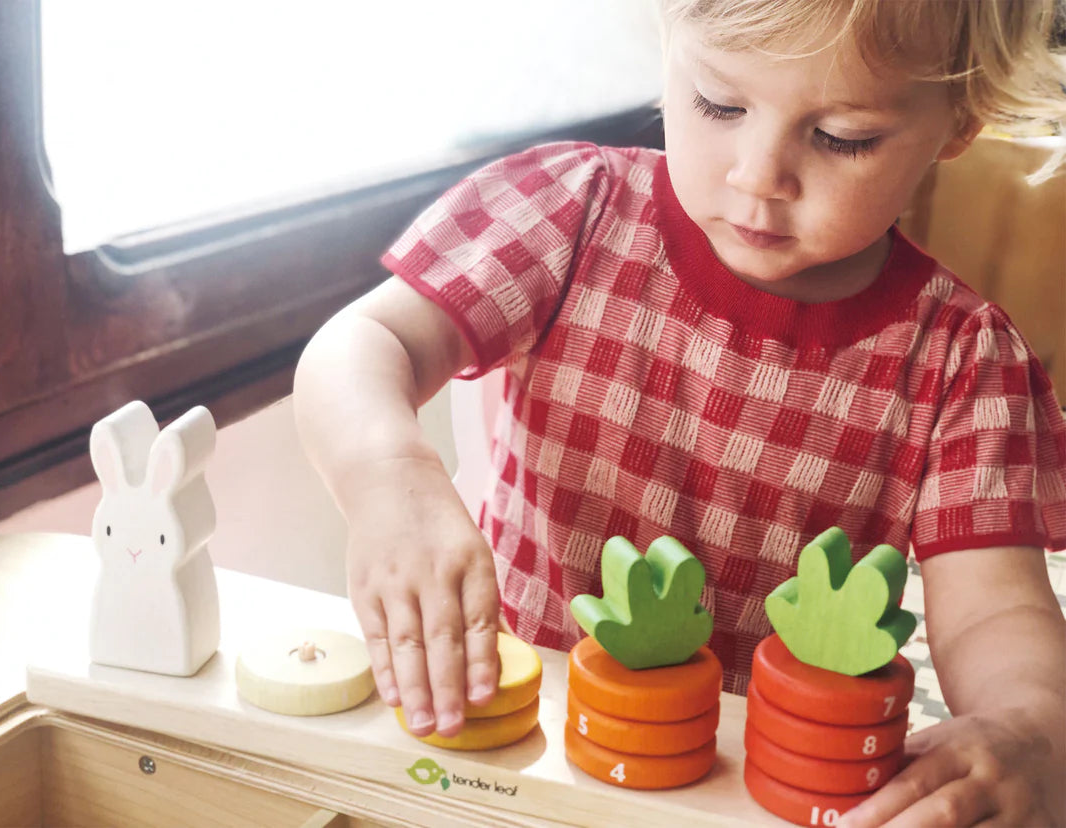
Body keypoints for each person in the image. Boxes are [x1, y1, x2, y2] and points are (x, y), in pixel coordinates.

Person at [294, 0, 1066, 823]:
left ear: (961, 120)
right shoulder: (571, 210)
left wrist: (1033, 727)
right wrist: (388, 479)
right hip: (515, 745)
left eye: (843, 137)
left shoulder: (963, 360)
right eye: (720, 105)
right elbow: (363, 343)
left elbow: (997, 610)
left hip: (748, 792)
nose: (757, 175)